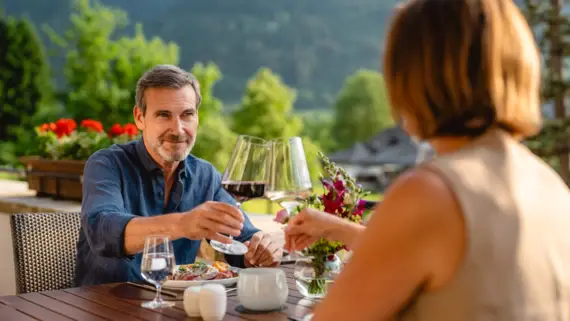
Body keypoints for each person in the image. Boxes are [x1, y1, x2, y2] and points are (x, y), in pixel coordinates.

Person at [285, 0, 570, 320]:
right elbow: (461, 260)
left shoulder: (432, 192)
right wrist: (338, 229)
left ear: (412, 77)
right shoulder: (550, 185)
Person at [75, 65, 282, 286]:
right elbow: (103, 231)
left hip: (174, 307)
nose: (178, 129)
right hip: (105, 306)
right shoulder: (106, 164)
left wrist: (260, 248)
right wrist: (182, 224)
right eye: (164, 115)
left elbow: (239, 240)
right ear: (139, 117)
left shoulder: (205, 175)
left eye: (187, 115)